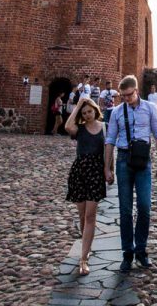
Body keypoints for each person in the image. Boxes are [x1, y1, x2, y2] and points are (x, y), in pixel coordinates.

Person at [104, 74, 157, 272]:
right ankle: (127, 253)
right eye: (123, 96)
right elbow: (110, 140)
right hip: (123, 160)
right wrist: (107, 166)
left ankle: (141, 250)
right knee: (125, 209)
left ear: (136, 91)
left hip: (143, 161)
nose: (126, 99)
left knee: (145, 207)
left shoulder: (149, 108)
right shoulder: (116, 112)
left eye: (129, 95)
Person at [65, 96, 107, 276]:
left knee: (90, 216)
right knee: (82, 216)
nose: (87, 115)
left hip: (95, 173)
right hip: (79, 172)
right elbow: (67, 127)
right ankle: (86, 246)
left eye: (90, 111)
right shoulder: (79, 129)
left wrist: (108, 170)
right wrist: (79, 104)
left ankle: (83, 258)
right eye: (84, 113)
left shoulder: (104, 127)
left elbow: (108, 151)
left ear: (95, 111)